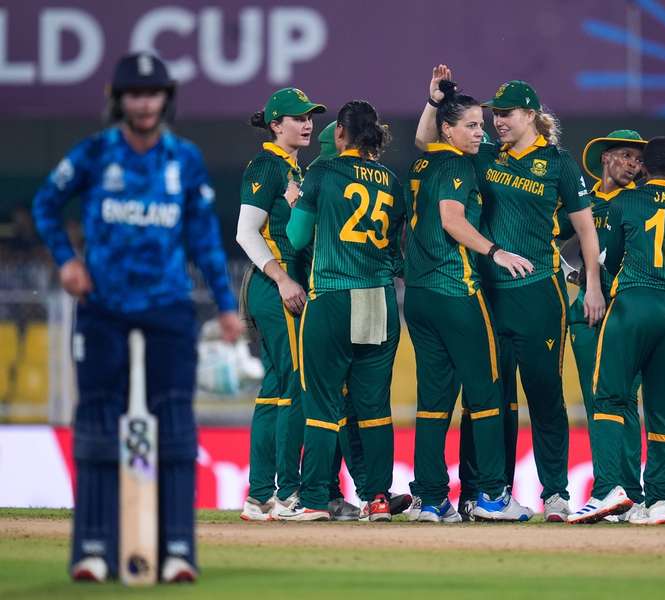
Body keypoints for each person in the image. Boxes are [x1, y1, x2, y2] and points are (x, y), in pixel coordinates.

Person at [32, 53, 243, 582]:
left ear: (165, 99)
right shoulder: (96, 153)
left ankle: (177, 552)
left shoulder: (185, 159)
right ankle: (93, 551)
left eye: (152, 94)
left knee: (174, 426)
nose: (144, 103)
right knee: (97, 425)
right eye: (134, 94)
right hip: (103, 307)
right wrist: (67, 261)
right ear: (119, 100)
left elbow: (203, 239)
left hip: (168, 306)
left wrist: (225, 304)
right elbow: (45, 205)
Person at [415, 66, 604, 522]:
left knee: (545, 395)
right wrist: (435, 102)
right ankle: (483, 491)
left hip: (538, 292)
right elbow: (427, 142)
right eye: (494, 114)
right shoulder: (482, 155)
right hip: (484, 294)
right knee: (487, 398)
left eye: (507, 114)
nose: (498, 121)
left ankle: (555, 493)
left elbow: (585, 229)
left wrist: (592, 284)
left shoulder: (558, 163)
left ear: (532, 115)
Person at [404, 81, 534, 522]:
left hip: (418, 297)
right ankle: (493, 496)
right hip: (456, 291)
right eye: (472, 126)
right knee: (487, 394)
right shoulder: (457, 167)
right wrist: (496, 251)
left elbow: (423, 138)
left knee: (432, 400)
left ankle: (430, 498)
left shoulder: (423, 163)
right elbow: (451, 219)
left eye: (483, 125)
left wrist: (434, 102)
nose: (482, 132)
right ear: (449, 131)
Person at [569, 137, 665, 525]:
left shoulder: (625, 203)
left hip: (633, 306)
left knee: (611, 397)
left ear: (645, 168)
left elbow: (608, 257)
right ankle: (659, 501)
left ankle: (608, 490)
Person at [236, 89, 362, 522]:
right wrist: (284, 277)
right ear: (276, 124)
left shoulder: (292, 168)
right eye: (297, 118)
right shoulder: (267, 166)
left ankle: (259, 496)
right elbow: (246, 232)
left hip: (281, 283)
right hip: (277, 284)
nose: (307, 124)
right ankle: (289, 492)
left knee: (276, 388)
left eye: (309, 117)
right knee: (292, 386)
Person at [284, 100, 405, 521]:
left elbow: (297, 238)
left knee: (322, 405)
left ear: (339, 134)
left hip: (333, 296)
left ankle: (316, 499)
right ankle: (377, 499)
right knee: (373, 408)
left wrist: (295, 201)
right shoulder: (391, 180)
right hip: (379, 299)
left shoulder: (321, 173)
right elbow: (395, 247)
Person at [567, 130, 647, 520]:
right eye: (626, 155)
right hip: (586, 312)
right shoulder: (584, 203)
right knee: (599, 401)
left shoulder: (641, 203)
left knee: (625, 402)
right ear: (605, 158)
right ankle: (611, 488)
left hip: (628, 311)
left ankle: (627, 491)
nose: (634, 164)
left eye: (638, 158)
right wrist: (571, 275)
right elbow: (547, 240)